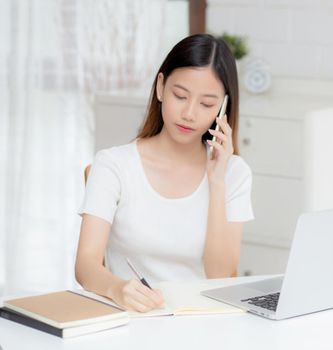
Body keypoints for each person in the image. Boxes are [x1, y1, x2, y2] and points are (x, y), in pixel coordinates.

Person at [75, 34, 254, 313]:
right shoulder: (113, 165)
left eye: (207, 104)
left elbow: (220, 275)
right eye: (180, 96)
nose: (189, 113)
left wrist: (216, 181)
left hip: (203, 323)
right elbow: (85, 265)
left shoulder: (234, 173)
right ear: (160, 87)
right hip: (135, 320)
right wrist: (116, 288)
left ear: (223, 108)